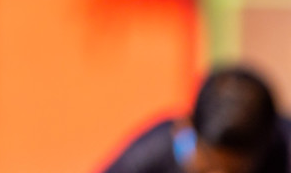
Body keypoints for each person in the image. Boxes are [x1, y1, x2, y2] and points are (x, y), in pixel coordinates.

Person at [100, 66, 291, 173]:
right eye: (210, 165)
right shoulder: (153, 153)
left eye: (236, 171)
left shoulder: (285, 151)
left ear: (268, 142)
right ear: (186, 127)